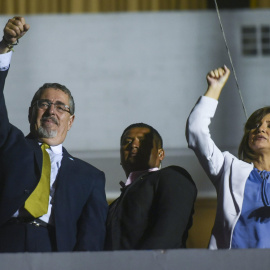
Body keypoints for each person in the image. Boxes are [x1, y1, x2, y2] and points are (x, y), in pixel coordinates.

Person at [0, 17, 108, 252]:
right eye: (44, 104)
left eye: (61, 107)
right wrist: (4, 47)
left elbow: (91, 238)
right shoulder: (9, 144)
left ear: (70, 121)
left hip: (55, 252)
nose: (51, 111)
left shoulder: (90, 177)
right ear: (31, 113)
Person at [186, 65, 270, 249]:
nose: (261, 129)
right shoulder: (228, 168)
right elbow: (196, 131)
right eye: (256, 125)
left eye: (269, 125)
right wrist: (214, 88)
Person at [105, 123, 197, 250]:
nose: (134, 145)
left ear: (160, 154)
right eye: (127, 141)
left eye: (143, 141)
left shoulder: (171, 176)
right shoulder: (112, 207)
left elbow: (168, 233)